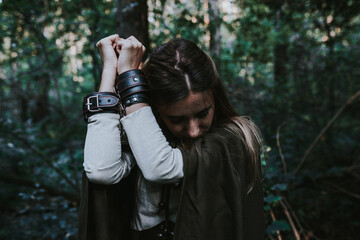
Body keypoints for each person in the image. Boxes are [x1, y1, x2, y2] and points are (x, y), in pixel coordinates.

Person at [78, 34, 265, 240]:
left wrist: (129, 77)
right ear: (156, 110)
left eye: (202, 114)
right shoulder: (146, 134)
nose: (193, 130)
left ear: (215, 98)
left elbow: (159, 167)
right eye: (177, 119)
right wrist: (109, 73)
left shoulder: (233, 138)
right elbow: (102, 171)